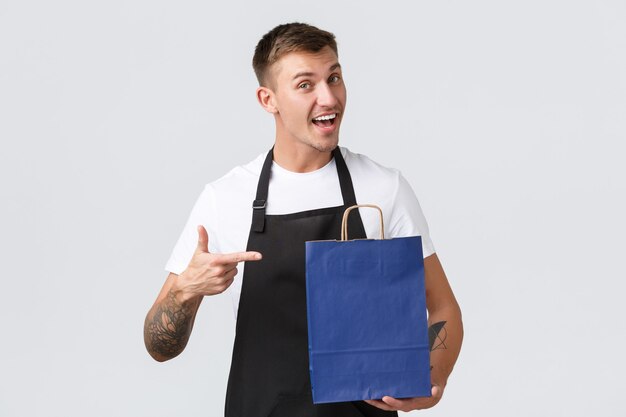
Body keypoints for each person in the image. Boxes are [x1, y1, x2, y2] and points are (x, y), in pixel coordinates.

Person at [144, 22, 463, 416]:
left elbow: (444, 306)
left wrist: (432, 379)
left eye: (334, 78)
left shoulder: (383, 188)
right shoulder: (226, 198)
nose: (328, 98)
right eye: (305, 85)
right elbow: (159, 347)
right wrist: (185, 292)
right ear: (268, 99)